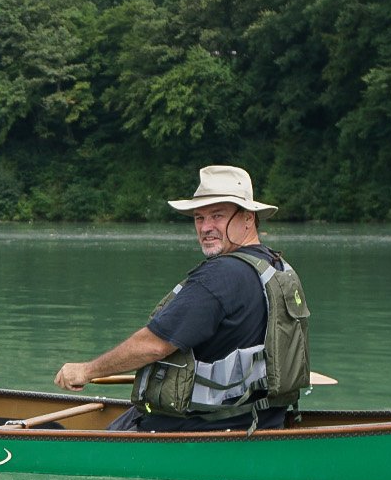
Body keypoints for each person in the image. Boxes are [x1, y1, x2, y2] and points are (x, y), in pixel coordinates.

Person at [54, 165, 310, 432]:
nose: (206, 227)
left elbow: (153, 345)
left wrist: (86, 371)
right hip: (264, 421)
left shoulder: (221, 276)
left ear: (248, 218)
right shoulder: (274, 266)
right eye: (199, 218)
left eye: (217, 216)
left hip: (201, 428)